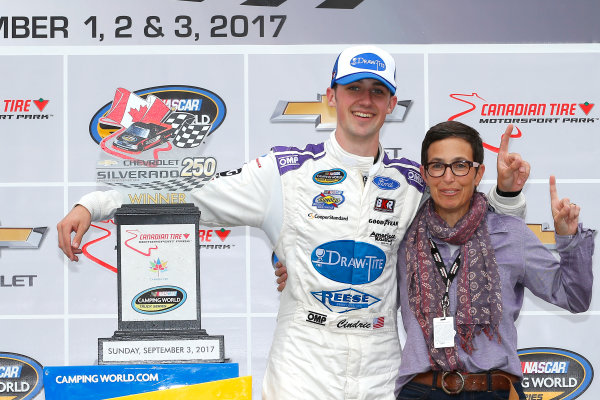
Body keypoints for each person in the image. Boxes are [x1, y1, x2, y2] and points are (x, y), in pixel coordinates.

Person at [57, 47, 528, 400]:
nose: (364, 100)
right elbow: (191, 192)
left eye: (377, 91)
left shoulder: (412, 180)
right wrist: (97, 203)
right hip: (304, 364)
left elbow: (478, 234)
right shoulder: (282, 172)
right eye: (354, 89)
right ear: (332, 96)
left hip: (382, 366)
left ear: (391, 104)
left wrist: (506, 193)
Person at [395, 121, 594, 400]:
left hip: (493, 391)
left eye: (460, 165)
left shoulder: (510, 234)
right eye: (437, 166)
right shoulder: (403, 237)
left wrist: (569, 240)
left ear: (479, 174)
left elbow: (574, 297)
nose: (448, 177)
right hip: (421, 390)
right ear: (424, 174)